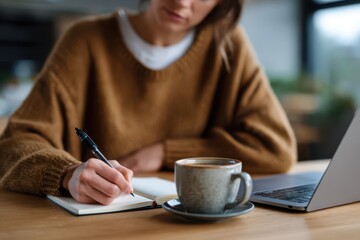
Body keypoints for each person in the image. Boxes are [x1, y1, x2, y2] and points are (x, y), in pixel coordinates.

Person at [0, 0, 297, 205]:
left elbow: (276, 148)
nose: (182, 3)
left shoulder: (228, 45)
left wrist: (166, 152)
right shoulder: (84, 40)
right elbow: (15, 144)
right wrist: (67, 173)